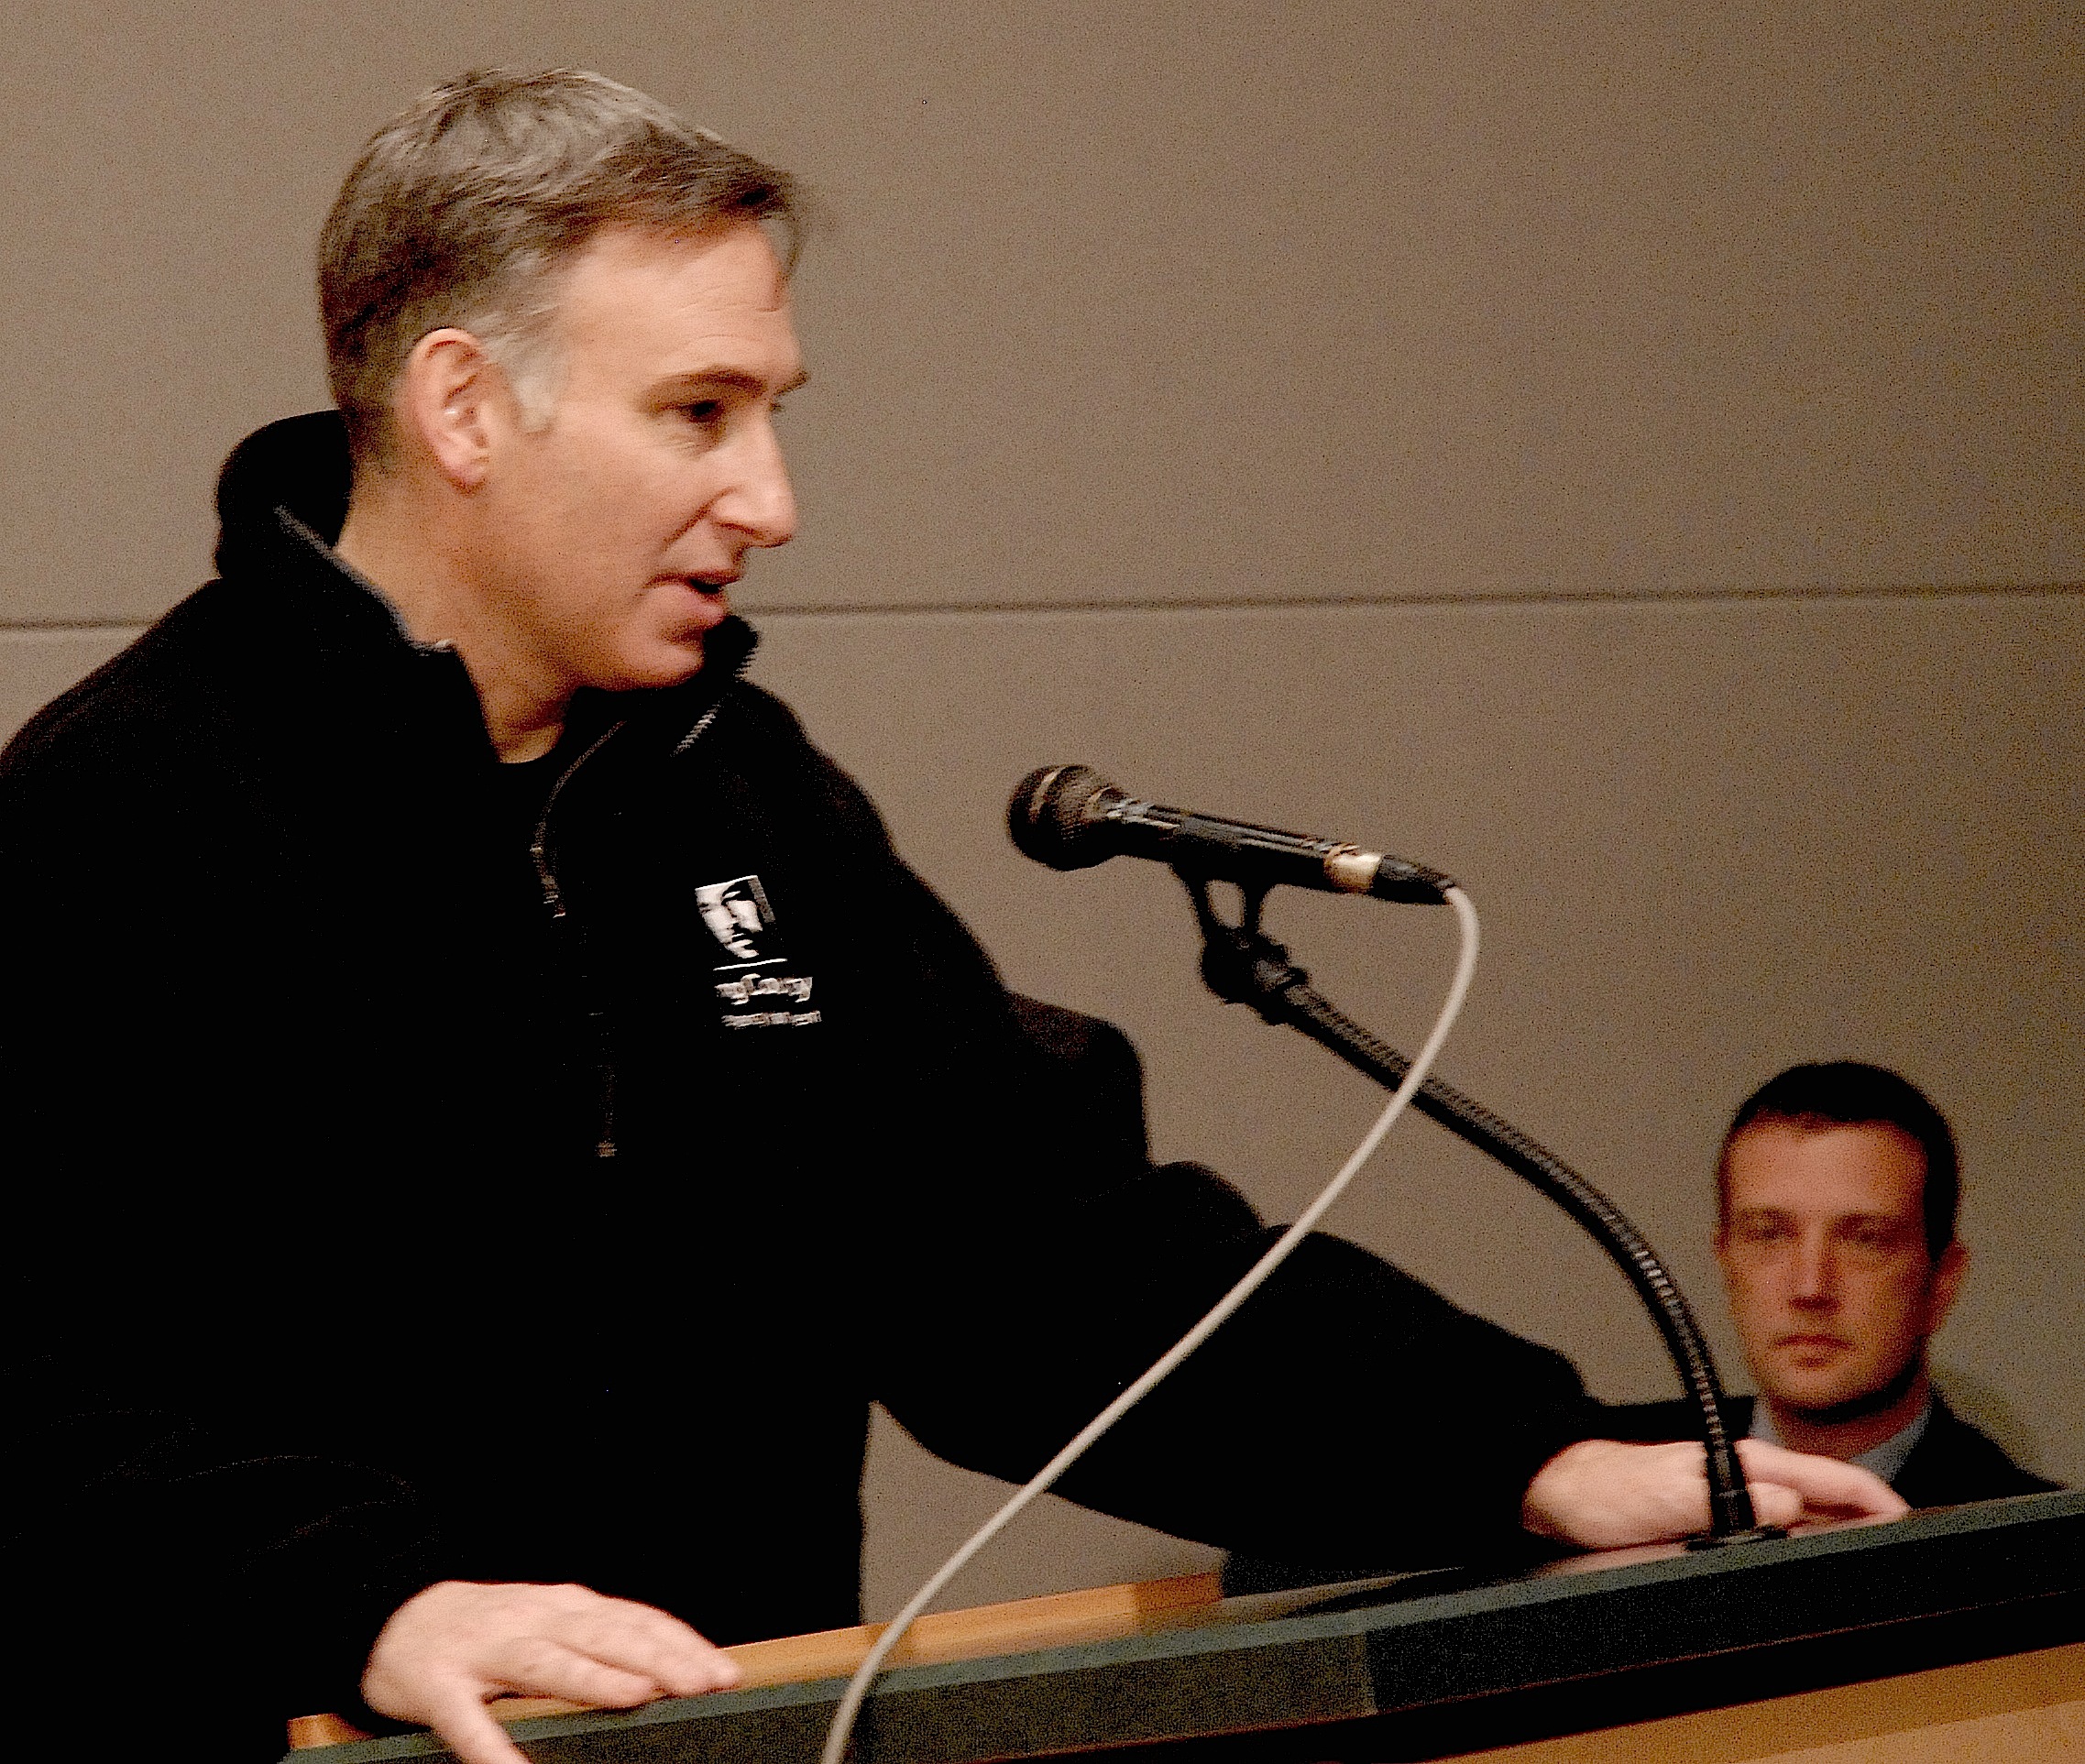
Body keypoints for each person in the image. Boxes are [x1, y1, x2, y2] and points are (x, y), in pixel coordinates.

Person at [0, 70, 1902, 1764]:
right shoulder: (125, 806)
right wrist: (373, 1602)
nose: (771, 498)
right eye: (698, 412)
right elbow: (42, 1381)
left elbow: (1041, 1260)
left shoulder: (736, 789)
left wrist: (1523, 1453)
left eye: (771, 412)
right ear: (464, 406)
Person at [1599, 1062, 2058, 1506]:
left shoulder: (2034, 1535)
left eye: (1866, 1240)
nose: (1810, 1288)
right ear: (1727, 1261)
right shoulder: (1614, 1480)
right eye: (1768, 1235)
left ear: (1941, 1281)